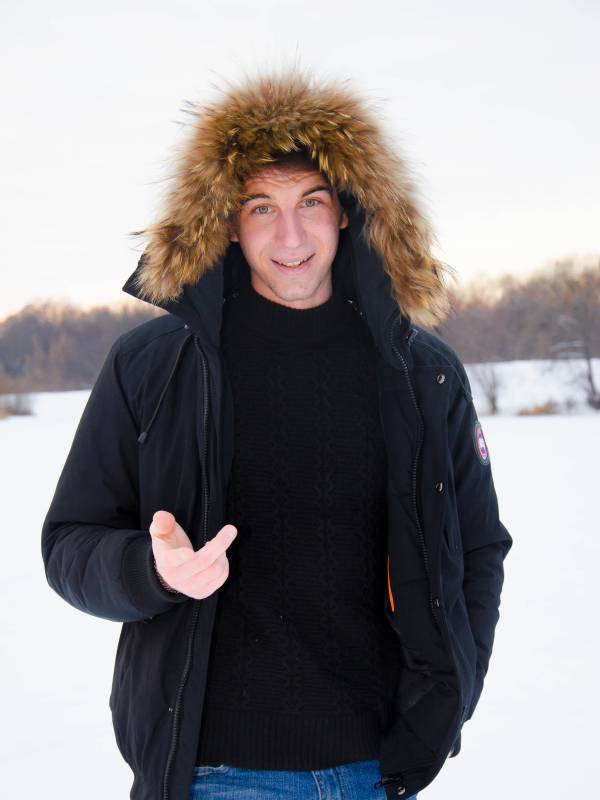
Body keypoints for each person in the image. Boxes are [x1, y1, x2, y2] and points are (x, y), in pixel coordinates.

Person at [41, 68, 513, 800]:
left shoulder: (423, 373)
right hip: (216, 771)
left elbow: (477, 548)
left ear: (348, 211)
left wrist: (445, 704)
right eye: (261, 206)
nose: (290, 236)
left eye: (311, 201)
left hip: (376, 768)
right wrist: (152, 571)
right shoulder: (154, 365)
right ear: (227, 222)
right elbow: (70, 542)